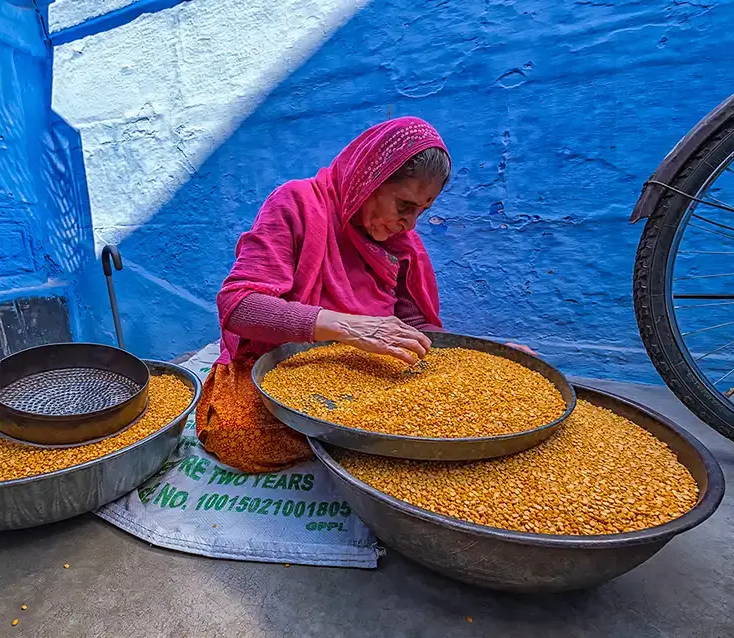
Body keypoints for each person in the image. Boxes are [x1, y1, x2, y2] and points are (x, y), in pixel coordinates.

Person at [196, 117, 525, 474]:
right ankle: (367, 445)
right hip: (288, 363)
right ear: (370, 179)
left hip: (371, 370)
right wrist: (347, 327)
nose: (410, 224)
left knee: (448, 412)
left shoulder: (401, 246)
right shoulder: (298, 204)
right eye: (404, 206)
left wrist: (488, 359)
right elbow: (238, 304)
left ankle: (363, 439)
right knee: (240, 436)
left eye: (422, 211)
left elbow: (416, 328)